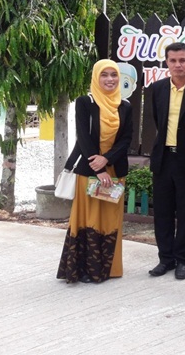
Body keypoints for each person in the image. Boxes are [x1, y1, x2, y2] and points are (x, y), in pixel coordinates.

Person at [57, 59, 133, 283]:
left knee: (110, 220)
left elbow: (126, 139)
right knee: (87, 219)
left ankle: (108, 269)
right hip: (90, 172)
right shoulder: (85, 102)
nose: (110, 79)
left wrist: (106, 160)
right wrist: (98, 169)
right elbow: (83, 136)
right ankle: (84, 270)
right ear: (96, 77)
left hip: (115, 171)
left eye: (114, 74)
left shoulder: (125, 106)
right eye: (104, 75)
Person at [148, 42, 185, 280]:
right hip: (163, 159)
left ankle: (183, 259)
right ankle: (165, 259)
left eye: (182, 60)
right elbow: (158, 121)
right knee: (162, 213)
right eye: (173, 60)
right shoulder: (158, 89)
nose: (178, 65)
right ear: (167, 63)